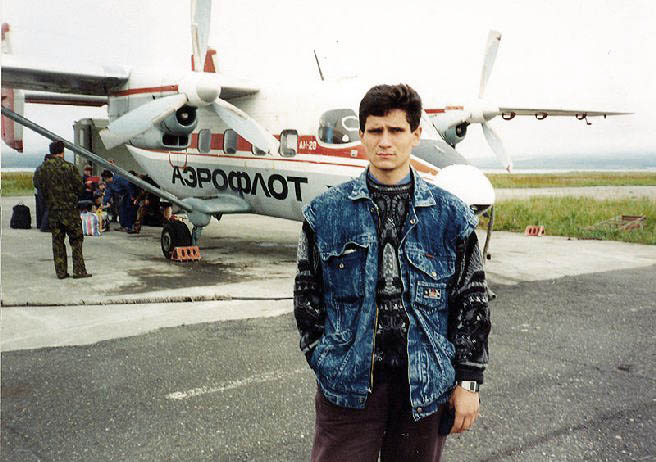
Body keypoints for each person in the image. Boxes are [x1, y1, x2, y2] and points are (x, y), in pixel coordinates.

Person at [294, 84, 491, 462]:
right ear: (362, 135)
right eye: (376, 130)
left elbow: (472, 301)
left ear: (416, 134)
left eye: (397, 130)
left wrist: (468, 381)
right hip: (347, 390)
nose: (385, 141)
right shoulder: (326, 213)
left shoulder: (451, 215)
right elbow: (307, 296)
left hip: (425, 388)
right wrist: (324, 359)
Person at [32, 140, 92, 279]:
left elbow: (37, 184)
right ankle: (79, 271)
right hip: (70, 210)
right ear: (62, 151)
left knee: (57, 241)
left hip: (53, 211)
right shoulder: (69, 167)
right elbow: (79, 187)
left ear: (51, 151)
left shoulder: (41, 169)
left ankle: (61, 272)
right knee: (76, 240)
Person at [33, 153, 52, 231]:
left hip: (38, 190)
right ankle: (45, 226)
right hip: (45, 190)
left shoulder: (39, 167)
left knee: (39, 208)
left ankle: (39, 224)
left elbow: (35, 181)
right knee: (46, 208)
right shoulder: (48, 168)